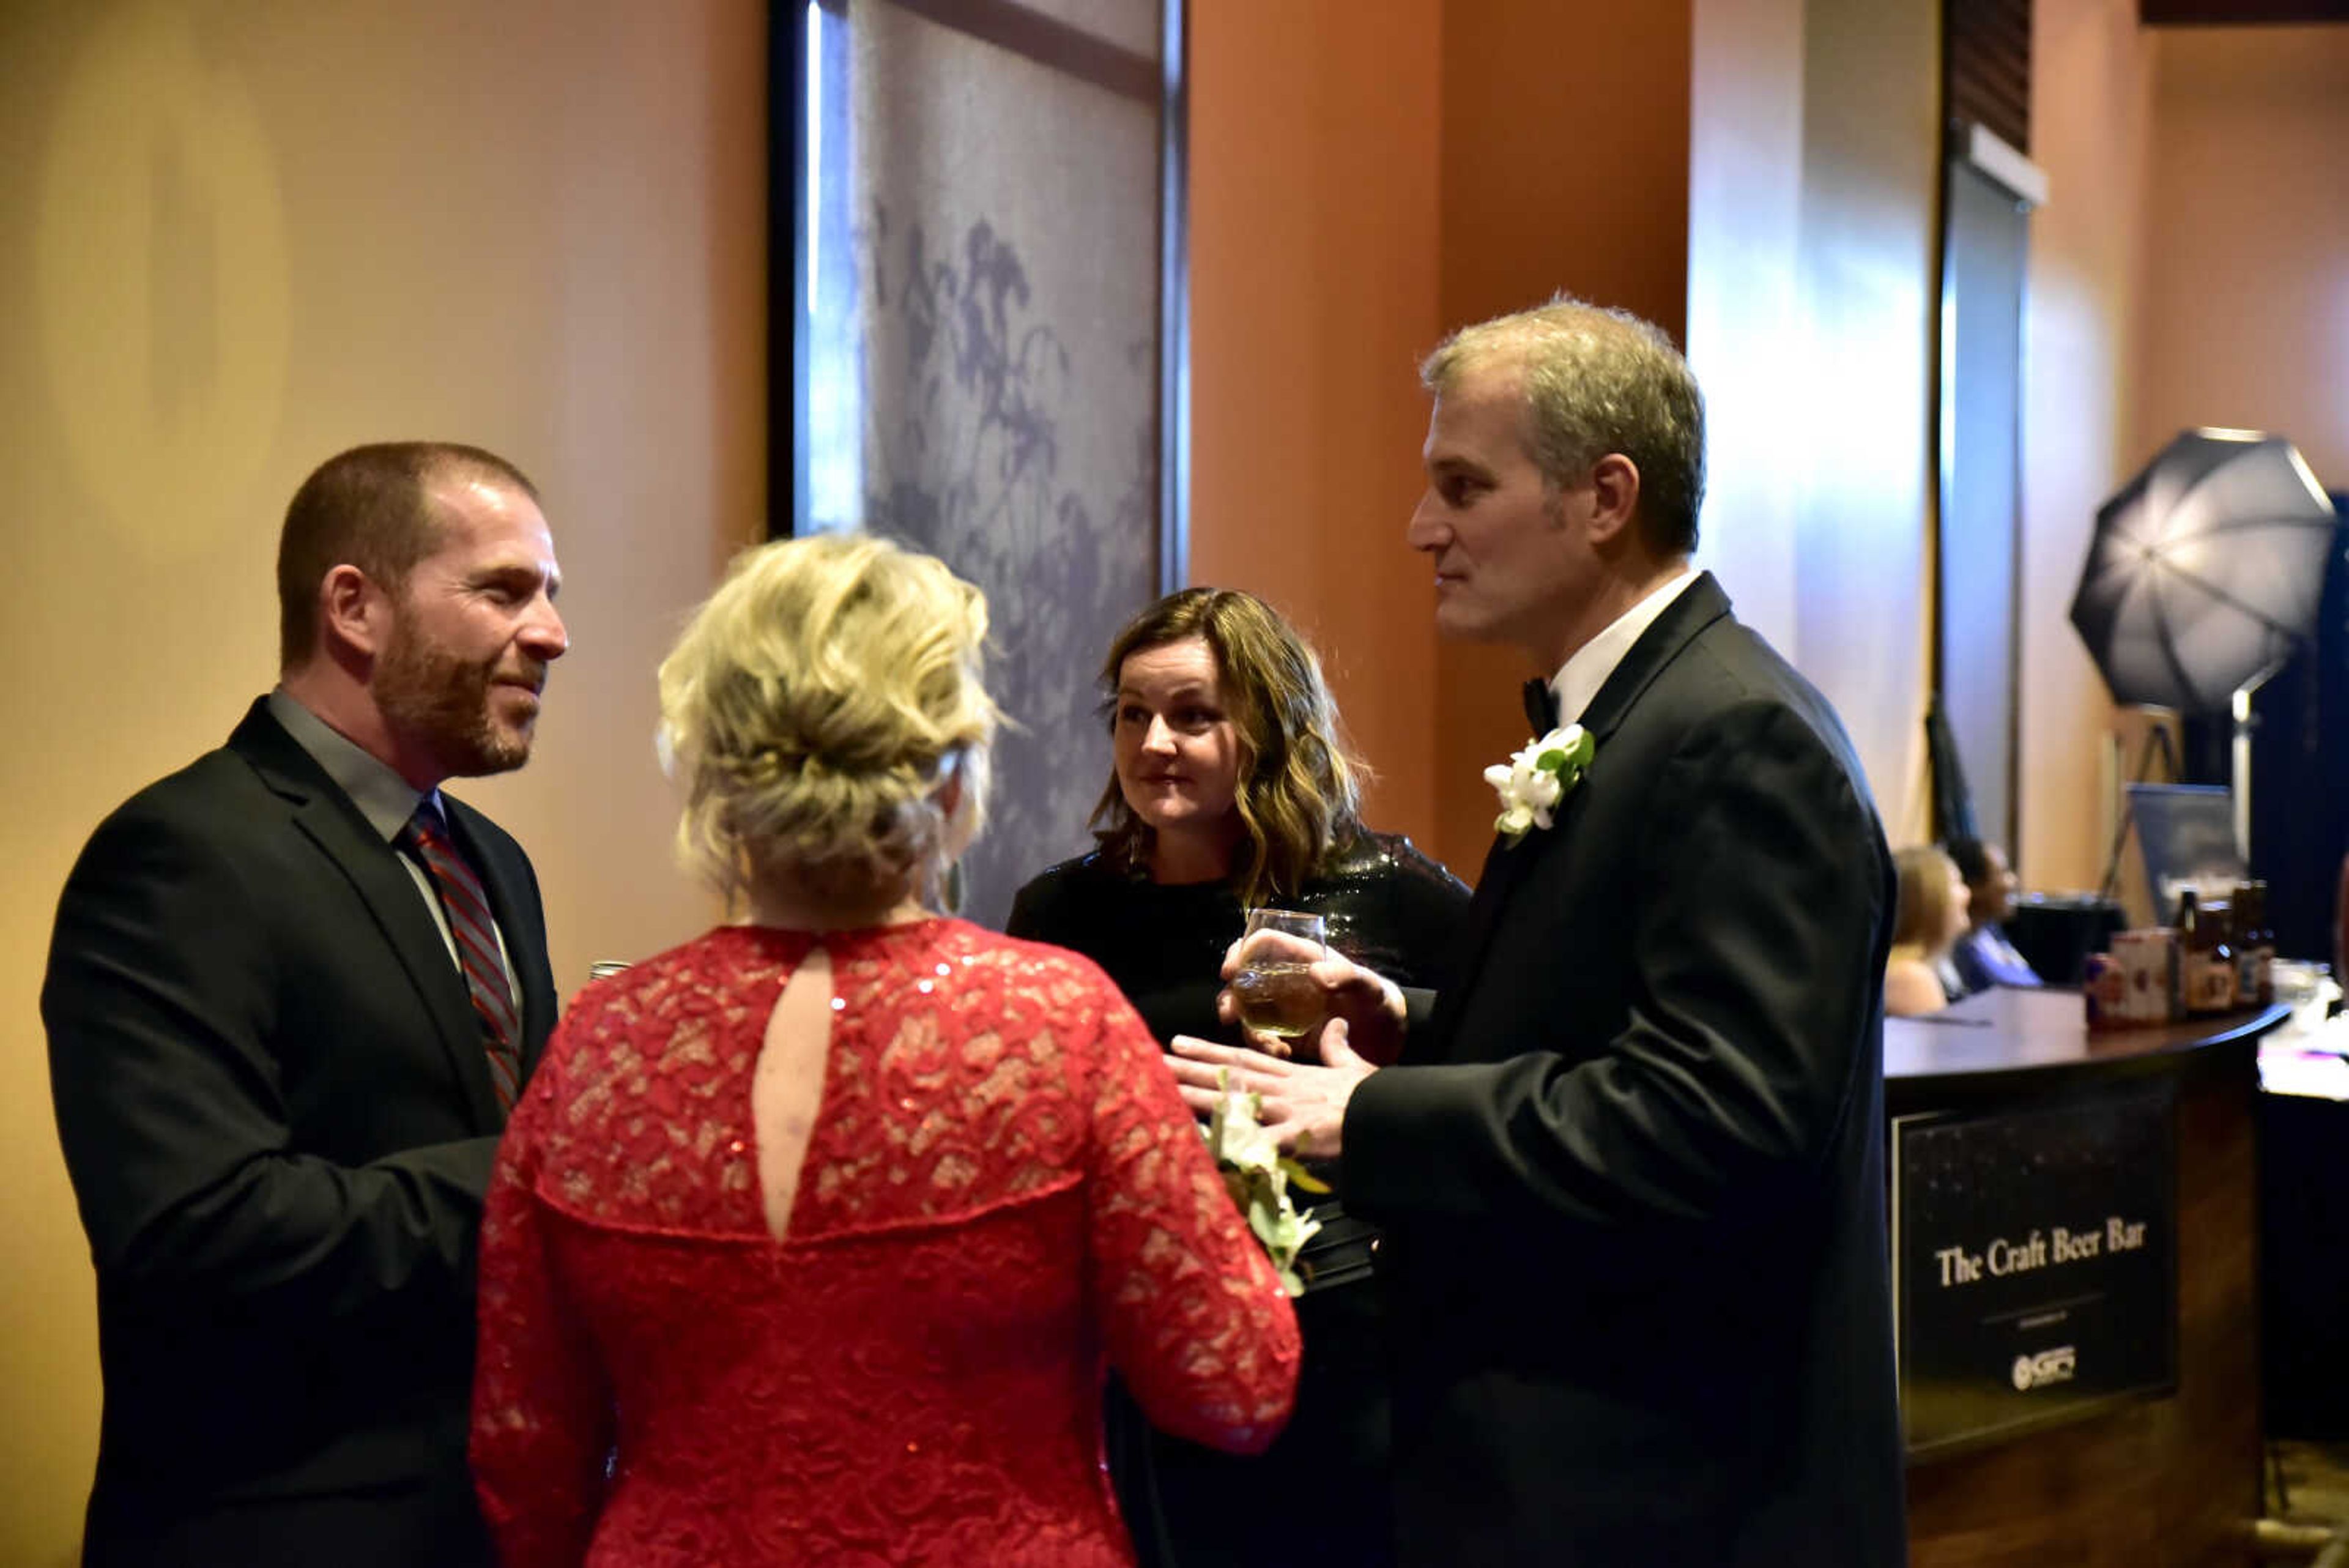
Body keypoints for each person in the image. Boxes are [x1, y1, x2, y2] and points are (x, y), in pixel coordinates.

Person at [1165, 298, 1908, 1565]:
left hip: (1671, 1494)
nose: (1422, 529)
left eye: (1463, 485)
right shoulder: (1632, 714)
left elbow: (1720, 1120)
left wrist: (1370, 1122)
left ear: (1605, 497)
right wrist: (1405, 1023)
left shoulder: (1736, 736)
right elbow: (1613, 1028)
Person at [469, 534, 1300, 1567]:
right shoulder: (1055, 1024)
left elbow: (524, 1449)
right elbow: (1233, 1379)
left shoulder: (601, 1044)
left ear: (714, 773)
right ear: (952, 772)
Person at [42, 442, 569, 1567]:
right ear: (354, 607)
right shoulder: (179, 856)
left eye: (551, 596)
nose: (552, 633)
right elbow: (197, 1232)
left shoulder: (493, 861)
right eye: (503, 590)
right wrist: (551, 1168)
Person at [1007, 586, 1470, 1568]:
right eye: (1133, 714)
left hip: (1342, 1334)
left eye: (1192, 714)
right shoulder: (1064, 910)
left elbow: (1496, 1049)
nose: (1154, 742)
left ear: (1265, 726)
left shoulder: (1381, 892)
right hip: (1134, 1345)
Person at [1946, 836, 2041, 994]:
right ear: (1973, 886)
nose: (2012, 882)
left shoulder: (1990, 932)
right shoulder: (1959, 955)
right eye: (2002, 873)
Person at [1886, 844, 1972, 1016]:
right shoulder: (1910, 977)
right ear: (1927, 900)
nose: (1967, 893)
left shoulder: (1935, 965)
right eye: (1955, 883)